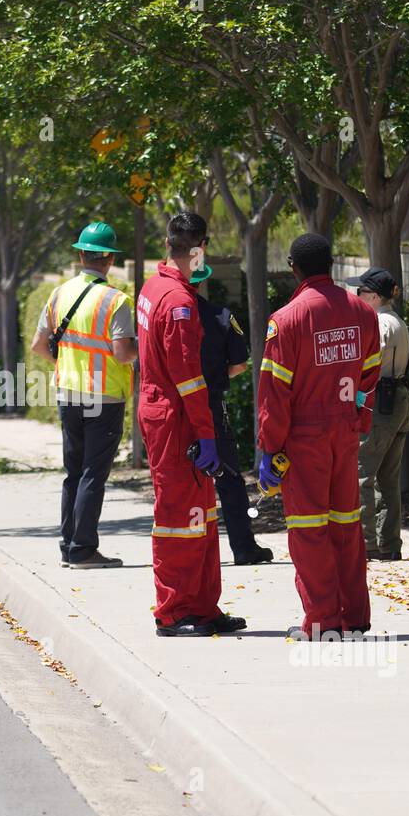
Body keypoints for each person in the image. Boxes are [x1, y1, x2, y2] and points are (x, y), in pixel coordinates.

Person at [257, 233, 381, 640]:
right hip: (344, 432)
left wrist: (269, 447)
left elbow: (275, 393)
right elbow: (369, 378)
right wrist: (357, 419)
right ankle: (354, 617)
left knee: (309, 529)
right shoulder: (363, 313)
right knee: (346, 524)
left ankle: (324, 621)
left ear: (293, 267)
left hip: (304, 438)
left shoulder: (286, 320)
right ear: (330, 264)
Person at [136, 212, 245, 637]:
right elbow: (189, 380)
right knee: (178, 516)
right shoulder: (180, 304)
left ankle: (202, 606)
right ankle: (173, 612)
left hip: (163, 412)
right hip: (177, 419)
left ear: (168, 243)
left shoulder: (152, 287)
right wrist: (207, 434)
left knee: (202, 513)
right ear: (200, 250)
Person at [30, 221, 138, 569]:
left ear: (80, 256)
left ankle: (69, 547)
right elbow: (122, 353)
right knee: (93, 473)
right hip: (104, 397)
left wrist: (66, 365)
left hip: (68, 394)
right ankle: (83, 550)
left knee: (73, 473)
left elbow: (38, 345)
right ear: (110, 259)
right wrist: (143, 349)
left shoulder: (58, 294)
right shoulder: (117, 300)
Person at [189, 264, 273, 565]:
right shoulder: (221, 317)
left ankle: (189, 549)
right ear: (203, 281)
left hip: (175, 408)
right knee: (228, 478)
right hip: (210, 406)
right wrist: (212, 377)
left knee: (181, 480)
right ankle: (243, 547)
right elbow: (238, 365)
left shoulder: (163, 315)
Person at [346, 267, 409, 561]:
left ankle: (366, 543)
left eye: (360, 292)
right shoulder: (399, 322)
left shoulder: (379, 323)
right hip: (400, 398)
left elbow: (369, 362)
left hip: (381, 402)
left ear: (373, 296)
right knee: (388, 477)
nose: (356, 296)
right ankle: (389, 543)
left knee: (362, 473)